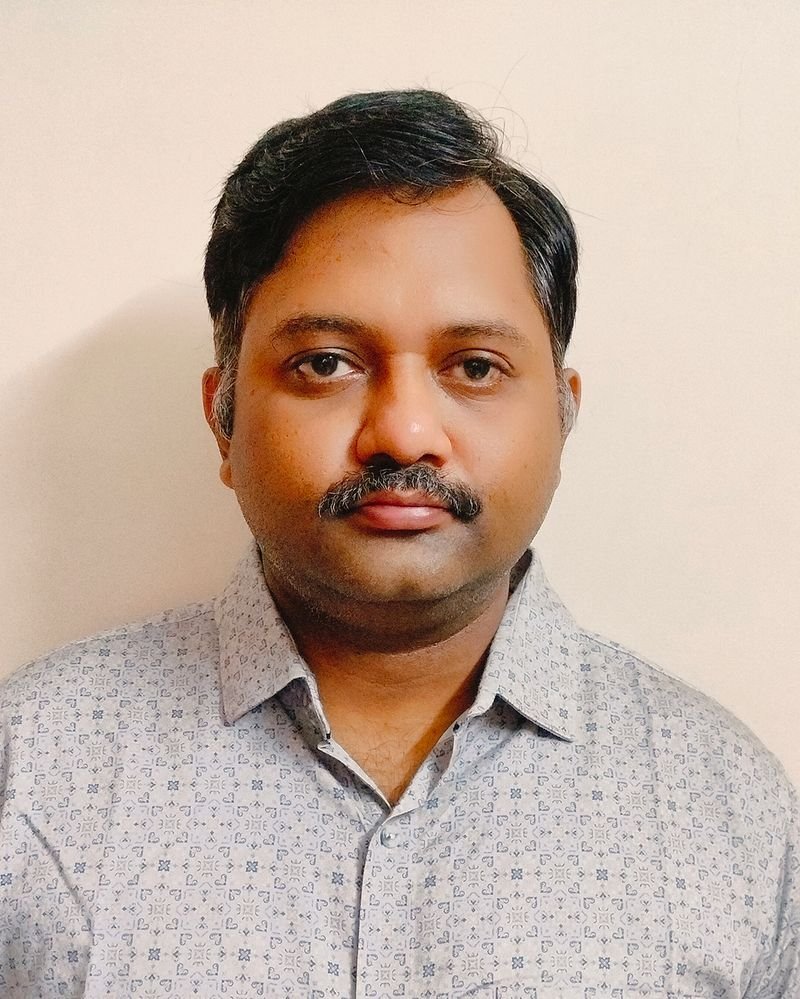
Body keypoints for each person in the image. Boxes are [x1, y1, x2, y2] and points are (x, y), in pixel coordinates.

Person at [0, 90, 796, 998]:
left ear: (566, 413)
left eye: (475, 367)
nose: (405, 433)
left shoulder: (727, 806)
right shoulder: (31, 769)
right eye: (326, 363)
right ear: (223, 420)